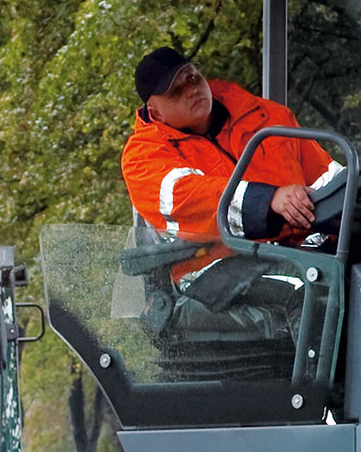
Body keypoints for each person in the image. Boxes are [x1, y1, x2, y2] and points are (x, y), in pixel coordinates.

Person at [121, 46, 345, 293]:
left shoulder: (265, 116)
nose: (191, 90)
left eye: (193, 77)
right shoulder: (141, 158)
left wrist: (351, 203)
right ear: (156, 114)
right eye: (176, 91)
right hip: (214, 276)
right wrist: (269, 200)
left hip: (296, 255)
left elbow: (325, 175)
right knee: (307, 296)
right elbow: (191, 199)